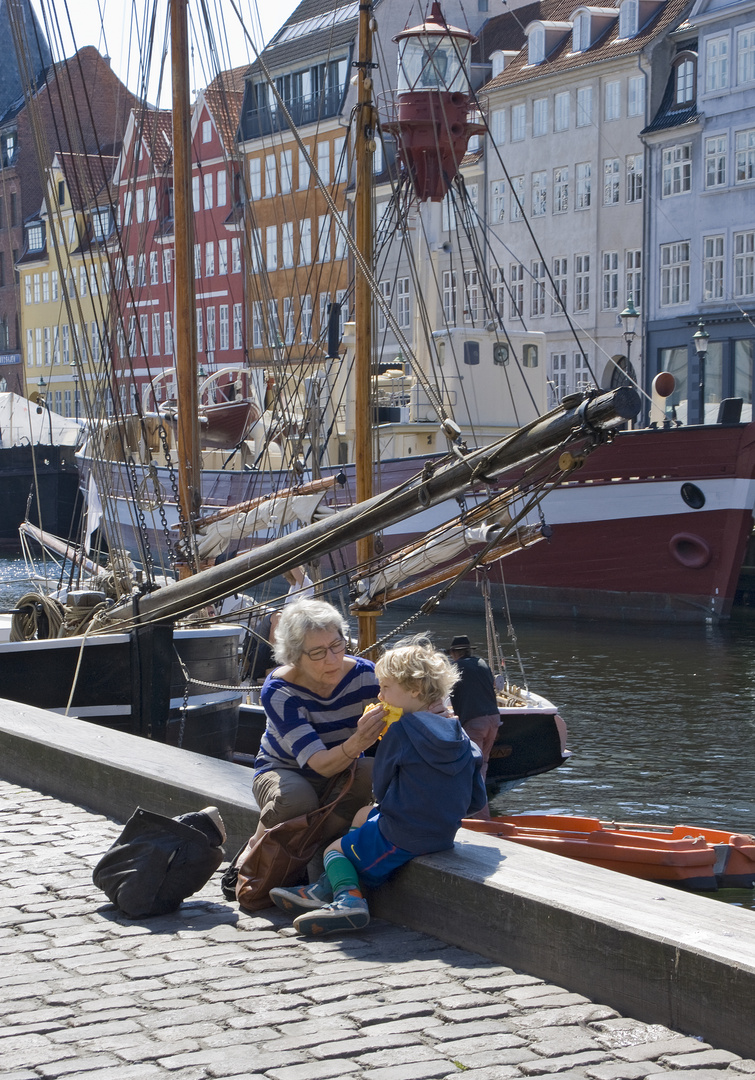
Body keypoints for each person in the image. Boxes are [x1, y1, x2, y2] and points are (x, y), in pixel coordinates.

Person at [269, 639, 486, 935]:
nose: (379, 694)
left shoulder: (400, 731)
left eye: (385, 687)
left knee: (334, 852)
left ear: (413, 691)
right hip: (444, 832)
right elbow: (476, 794)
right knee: (361, 816)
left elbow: (381, 789)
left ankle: (349, 901)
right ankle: (322, 890)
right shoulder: (459, 732)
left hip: (406, 834)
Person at [251, 598, 388, 850]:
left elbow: (405, 706)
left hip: (341, 769)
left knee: (371, 769)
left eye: (337, 645)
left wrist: (432, 711)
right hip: (284, 770)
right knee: (297, 798)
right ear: (294, 657)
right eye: (317, 652)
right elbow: (321, 765)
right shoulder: (280, 691)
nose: (333, 658)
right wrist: (360, 740)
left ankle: (314, 848)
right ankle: (255, 851)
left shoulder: (365, 676)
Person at [448, 634, 500, 819]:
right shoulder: (482, 663)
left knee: (471, 769)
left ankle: (479, 818)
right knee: (482, 765)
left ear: (455, 653)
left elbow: (445, 693)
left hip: (474, 721)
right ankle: (481, 816)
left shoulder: (455, 668)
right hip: (493, 719)